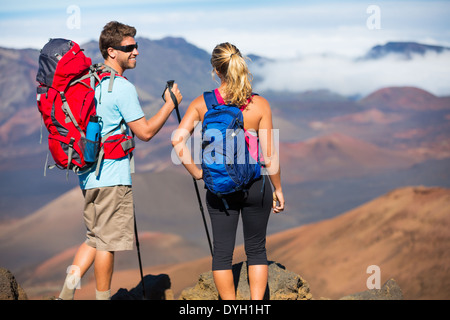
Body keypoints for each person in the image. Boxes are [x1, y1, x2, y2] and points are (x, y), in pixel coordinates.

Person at [58, 21, 182, 300]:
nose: (136, 51)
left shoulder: (89, 82)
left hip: (88, 174)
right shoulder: (121, 88)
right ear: (112, 51)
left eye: (136, 46)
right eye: (130, 47)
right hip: (112, 176)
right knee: (106, 244)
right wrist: (170, 104)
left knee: (94, 238)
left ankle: (65, 296)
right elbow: (146, 132)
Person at [172, 42, 284, 300]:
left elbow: (177, 140)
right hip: (257, 184)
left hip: (219, 187)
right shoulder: (259, 104)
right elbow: (269, 156)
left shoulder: (202, 103)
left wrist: (197, 172)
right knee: (256, 250)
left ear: (215, 70)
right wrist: (278, 189)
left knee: (222, 253)